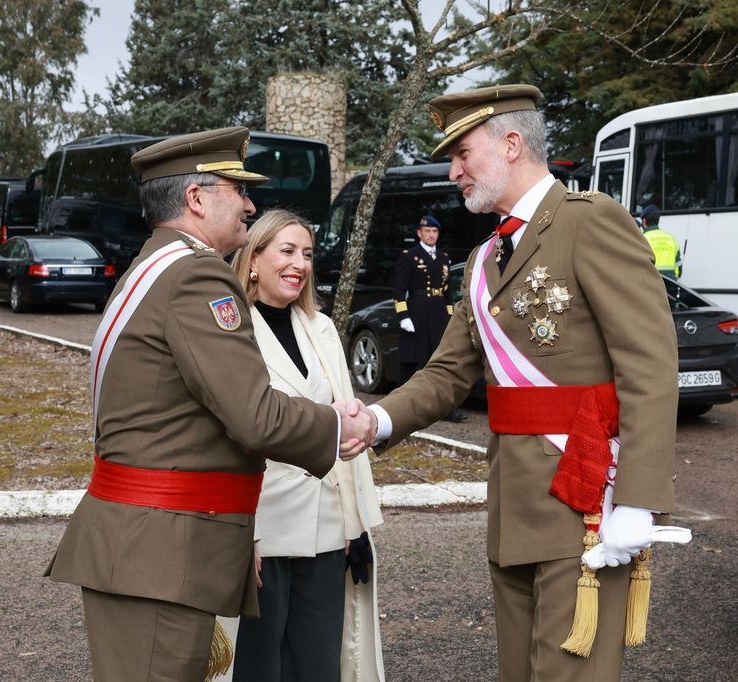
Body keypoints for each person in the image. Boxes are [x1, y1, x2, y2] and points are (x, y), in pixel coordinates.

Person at [366, 85, 679, 681]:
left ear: (511, 144)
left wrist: (638, 499)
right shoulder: (483, 259)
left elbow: (650, 364)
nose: (453, 170)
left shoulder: (591, 222)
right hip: (513, 505)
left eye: (462, 152)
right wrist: (375, 420)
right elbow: (449, 370)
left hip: (583, 496)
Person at [46, 127, 375, 682]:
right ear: (197, 199)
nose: (249, 203)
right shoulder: (198, 276)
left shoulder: (149, 268)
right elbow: (252, 415)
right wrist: (331, 425)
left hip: (146, 542)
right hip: (162, 550)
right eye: (237, 189)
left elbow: (177, 423)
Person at [222, 209, 384, 682]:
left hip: (328, 530)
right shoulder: (229, 330)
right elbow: (227, 435)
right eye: (287, 251)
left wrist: (357, 527)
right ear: (253, 260)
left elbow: (347, 421)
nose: (300, 264)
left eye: (308, 254)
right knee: (257, 668)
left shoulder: (323, 328)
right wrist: (237, 528)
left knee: (319, 665)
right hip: (262, 532)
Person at [392, 214, 466, 422]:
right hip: (416, 315)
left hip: (438, 315)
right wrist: (403, 316)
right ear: (419, 233)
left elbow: (447, 291)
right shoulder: (409, 256)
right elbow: (398, 290)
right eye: (427, 231)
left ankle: (445, 408)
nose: (431, 235)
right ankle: (398, 408)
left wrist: (452, 316)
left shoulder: (443, 257)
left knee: (441, 363)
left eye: (434, 232)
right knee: (410, 363)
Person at [638, 204, 682, 279]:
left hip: (650, 284)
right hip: (671, 285)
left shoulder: (642, 239)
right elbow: (679, 268)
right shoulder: (671, 239)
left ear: (644, 221)